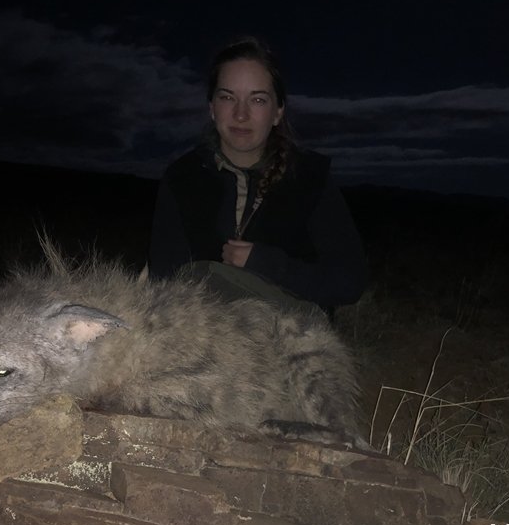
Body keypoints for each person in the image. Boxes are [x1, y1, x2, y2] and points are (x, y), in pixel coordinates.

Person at [149, 36, 368, 317]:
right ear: (211, 108)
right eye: (227, 97)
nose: (241, 114)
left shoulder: (310, 177)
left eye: (258, 100)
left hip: (290, 335)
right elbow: (164, 280)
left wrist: (265, 263)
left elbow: (349, 282)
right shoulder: (181, 178)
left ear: (278, 112)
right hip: (205, 331)